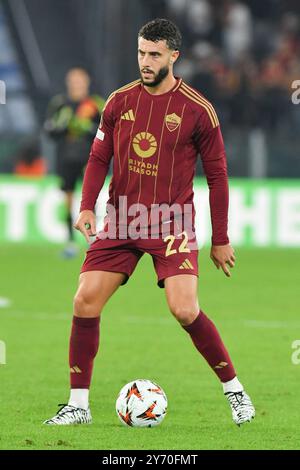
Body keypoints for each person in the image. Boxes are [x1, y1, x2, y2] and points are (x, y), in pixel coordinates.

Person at [44, 19, 255, 426]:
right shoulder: (119, 102)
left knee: (184, 309)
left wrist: (221, 238)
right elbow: (97, 158)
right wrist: (87, 206)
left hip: (171, 222)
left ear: (174, 56)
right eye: (141, 52)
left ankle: (236, 392)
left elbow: (218, 177)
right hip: (122, 220)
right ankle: (78, 405)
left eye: (154, 54)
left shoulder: (198, 110)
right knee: (84, 300)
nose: (145, 61)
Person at [44, 68, 105, 257]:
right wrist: (61, 125)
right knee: (68, 200)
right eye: (74, 81)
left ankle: (92, 241)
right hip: (66, 158)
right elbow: (49, 131)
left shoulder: (95, 104)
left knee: (90, 199)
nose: (77, 84)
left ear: (86, 82)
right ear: (68, 82)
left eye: (80, 80)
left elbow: (108, 131)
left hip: (90, 159)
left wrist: (88, 128)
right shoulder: (60, 104)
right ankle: (70, 242)